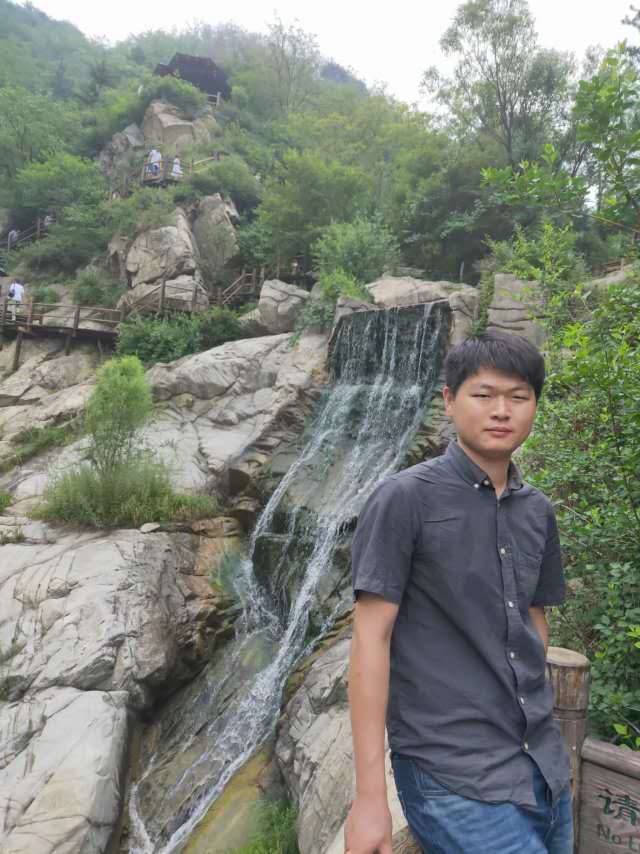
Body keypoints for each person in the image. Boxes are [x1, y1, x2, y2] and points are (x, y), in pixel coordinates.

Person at [346, 332, 572, 854]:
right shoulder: (403, 499)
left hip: (543, 767)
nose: (501, 411)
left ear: (535, 405)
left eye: (518, 397)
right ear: (449, 400)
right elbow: (370, 639)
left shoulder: (537, 509)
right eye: (483, 394)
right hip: (453, 775)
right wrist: (370, 798)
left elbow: (534, 616)